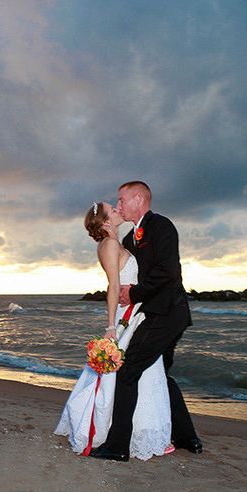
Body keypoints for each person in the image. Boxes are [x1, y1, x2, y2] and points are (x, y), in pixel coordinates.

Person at [89, 181, 201, 462]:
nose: (119, 205)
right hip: (149, 315)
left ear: (139, 199)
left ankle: (117, 446)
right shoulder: (128, 240)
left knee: (127, 371)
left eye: (122, 200)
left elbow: (168, 273)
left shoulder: (161, 226)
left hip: (167, 314)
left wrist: (134, 293)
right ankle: (188, 437)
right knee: (161, 373)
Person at [54, 201, 172, 460]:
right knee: (130, 373)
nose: (119, 209)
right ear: (106, 222)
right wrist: (111, 327)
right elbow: (113, 287)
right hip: (126, 316)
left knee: (146, 371)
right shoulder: (108, 245)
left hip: (138, 311)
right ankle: (125, 433)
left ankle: (143, 431)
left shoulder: (117, 243)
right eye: (113, 209)